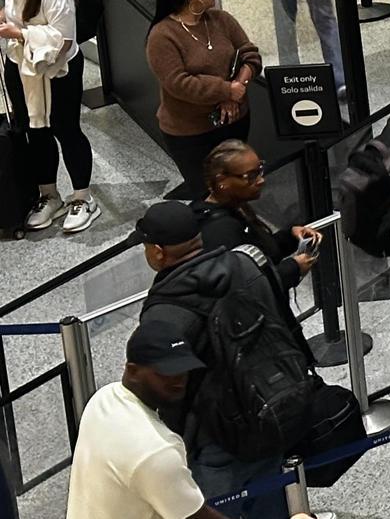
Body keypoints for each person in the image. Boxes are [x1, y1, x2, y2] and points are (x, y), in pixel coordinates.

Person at [137, 201, 305, 519]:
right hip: (270, 412)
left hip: (214, 442)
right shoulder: (245, 264)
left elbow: (165, 393)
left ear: (158, 251)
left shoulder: (164, 314)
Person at [67, 313, 228, 519]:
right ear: (132, 371)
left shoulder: (102, 399)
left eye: (182, 370)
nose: (178, 381)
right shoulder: (157, 451)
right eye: (165, 372)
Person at [0, 0, 95, 232]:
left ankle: (83, 197)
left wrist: (19, 34)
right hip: (22, 68)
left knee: (66, 129)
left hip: (58, 70)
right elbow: (13, 14)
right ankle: (48, 195)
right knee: (34, 130)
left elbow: (64, 41)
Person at [146, 0, 261, 198]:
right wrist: (227, 90)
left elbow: (250, 55)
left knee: (238, 189)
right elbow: (179, 83)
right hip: (191, 133)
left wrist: (239, 85)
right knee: (208, 196)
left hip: (235, 121)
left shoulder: (222, 19)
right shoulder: (162, 36)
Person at [193, 140, 322, 292]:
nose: (261, 180)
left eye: (260, 170)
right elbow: (242, 290)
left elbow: (261, 251)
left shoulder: (235, 206)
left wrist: (291, 236)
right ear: (222, 181)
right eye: (251, 176)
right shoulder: (220, 233)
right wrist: (292, 269)